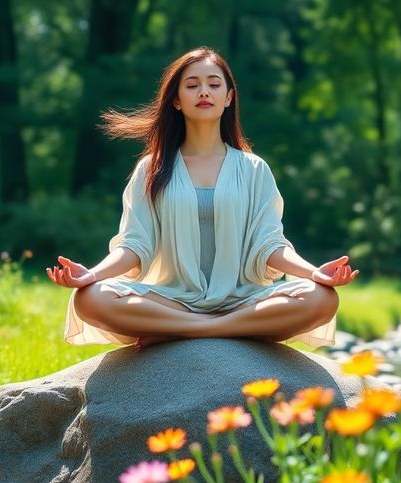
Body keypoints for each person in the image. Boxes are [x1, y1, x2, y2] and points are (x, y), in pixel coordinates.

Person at [46, 47, 358, 350]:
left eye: (214, 84)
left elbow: (269, 245)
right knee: (89, 298)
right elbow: (134, 245)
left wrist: (314, 272)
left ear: (229, 97)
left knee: (322, 298)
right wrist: (92, 274)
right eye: (192, 85)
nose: (204, 92)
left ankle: (183, 332)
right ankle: (233, 330)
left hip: (243, 300)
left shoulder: (253, 169)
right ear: (177, 101)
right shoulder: (151, 168)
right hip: (171, 300)